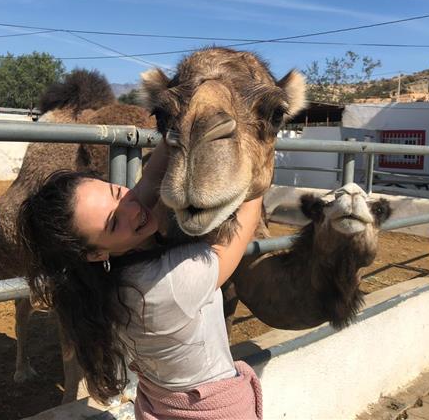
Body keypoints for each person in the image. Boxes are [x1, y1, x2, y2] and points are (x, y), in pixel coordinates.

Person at [19, 141, 263, 419]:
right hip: (214, 411)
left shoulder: (101, 276)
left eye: (116, 191)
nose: (132, 207)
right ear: (95, 252)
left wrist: (179, 126)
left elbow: (148, 179)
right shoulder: (165, 285)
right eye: (114, 222)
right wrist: (257, 142)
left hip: (160, 406)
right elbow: (246, 220)